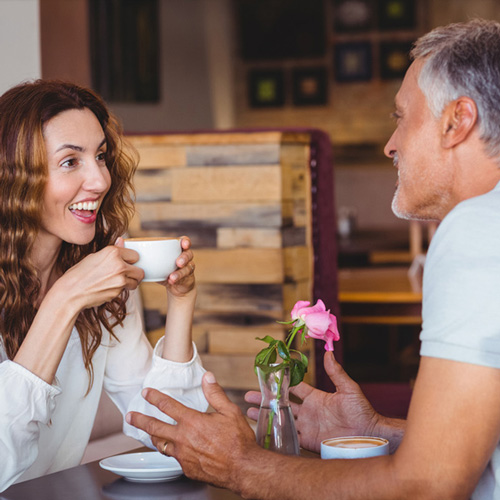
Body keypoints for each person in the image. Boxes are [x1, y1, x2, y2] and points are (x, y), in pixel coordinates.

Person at [126, 18, 500, 500]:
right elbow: (464, 458)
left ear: (457, 121)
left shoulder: (476, 227)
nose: (392, 144)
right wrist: (379, 432)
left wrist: (239, 465)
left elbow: (425, 487)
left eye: (401, 118)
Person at [0, 80, 208, 491]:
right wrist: (64, 300)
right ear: (15, 177)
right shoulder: (82, 284)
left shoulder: (99, 281)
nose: (99, 180)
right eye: (69, 162)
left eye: (99, 156)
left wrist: (181, 303)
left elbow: (167, 428)